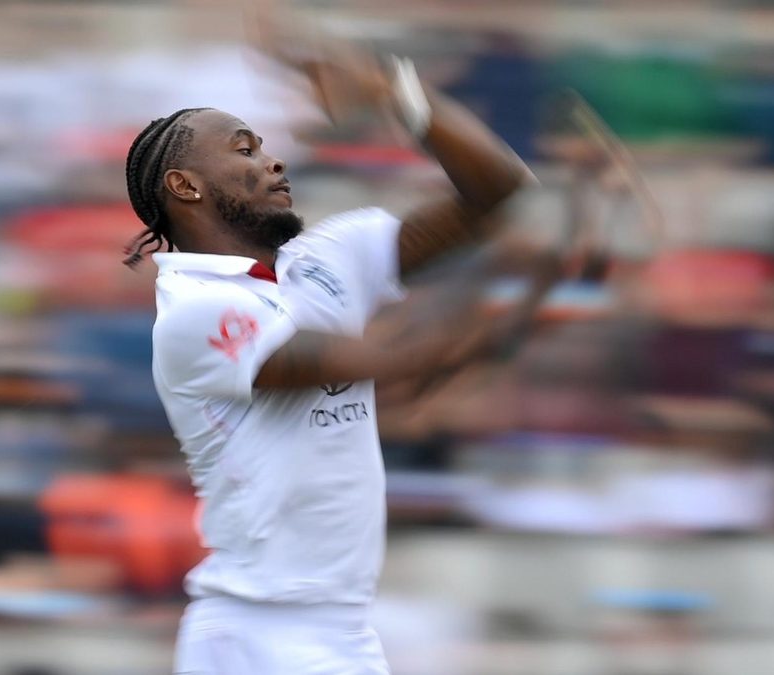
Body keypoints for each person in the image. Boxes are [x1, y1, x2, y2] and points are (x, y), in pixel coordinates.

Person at [124, 18, 558, 674]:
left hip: (341, 629)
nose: (271, 160)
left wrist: (393, 90)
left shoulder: (326, 257)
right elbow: (400, 364)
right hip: (257, 633)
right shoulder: (196, 311)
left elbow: (497, 189)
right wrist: (520, 295)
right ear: (186, 186)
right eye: (243, 150)